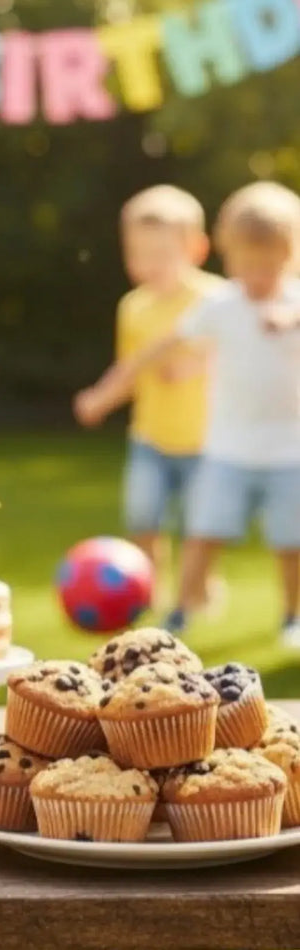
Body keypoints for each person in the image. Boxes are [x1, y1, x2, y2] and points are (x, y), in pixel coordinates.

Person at [78, 181, 300, 645]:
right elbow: (162, 346)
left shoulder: (293, 301)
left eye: (269, 265)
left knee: (291, 541)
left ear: (290, 257)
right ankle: (179, 610)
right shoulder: (220, 304)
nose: (257, 276)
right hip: (226, 447)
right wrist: (104, 391)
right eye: (245, 264)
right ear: (227, 255)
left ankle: (292, 616)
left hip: (287, 451)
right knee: (203, 532)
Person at [74, 186, 222, 603]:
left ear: (196, 248)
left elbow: (236, 362)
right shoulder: (133, 307)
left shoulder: (215, 301)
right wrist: (101, 399)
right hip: (150, 435)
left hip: (205, 439)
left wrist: (194, 367)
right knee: (144, 519)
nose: (148, 265)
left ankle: (198, 590)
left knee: (200, 526)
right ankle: (147, 592)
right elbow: (131, 370)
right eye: (138, 254)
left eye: (161, 255)